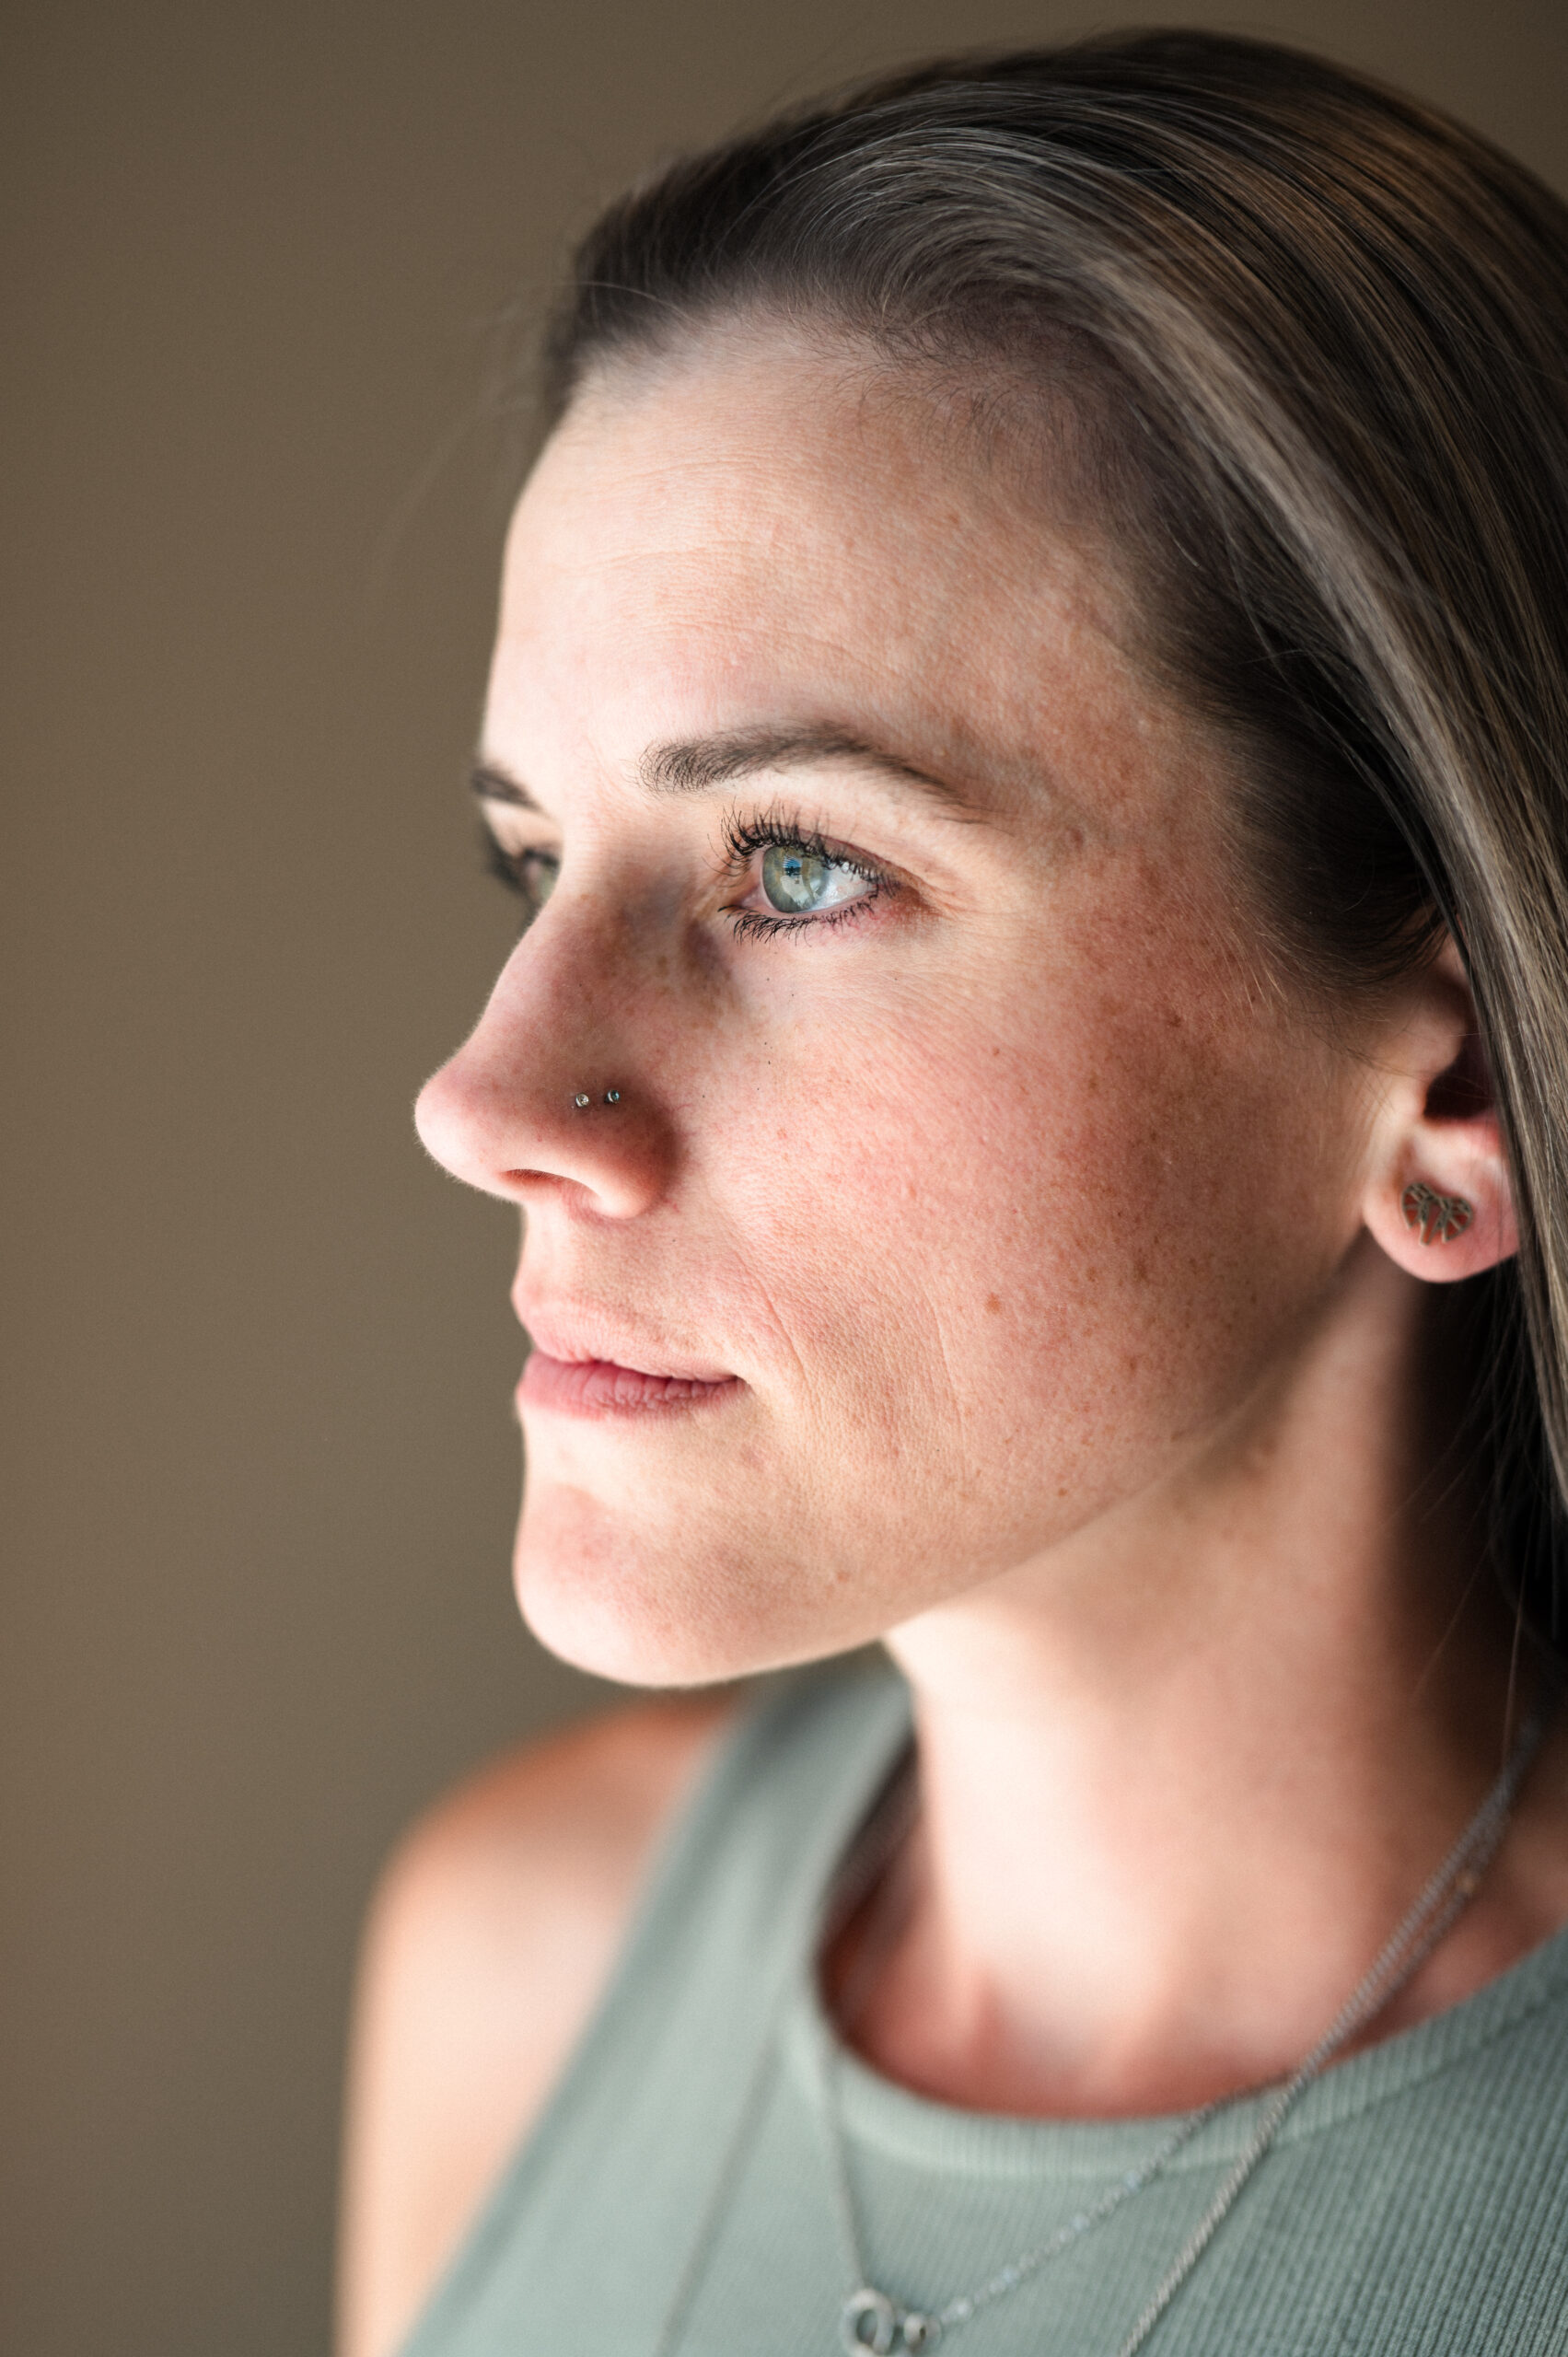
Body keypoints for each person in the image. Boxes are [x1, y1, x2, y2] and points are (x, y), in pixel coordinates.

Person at [336, 30, 1568, 2357]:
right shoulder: (519, 1968)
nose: (485, 1094)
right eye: (532, 857)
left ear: (1457, 1076)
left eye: (798, 864)